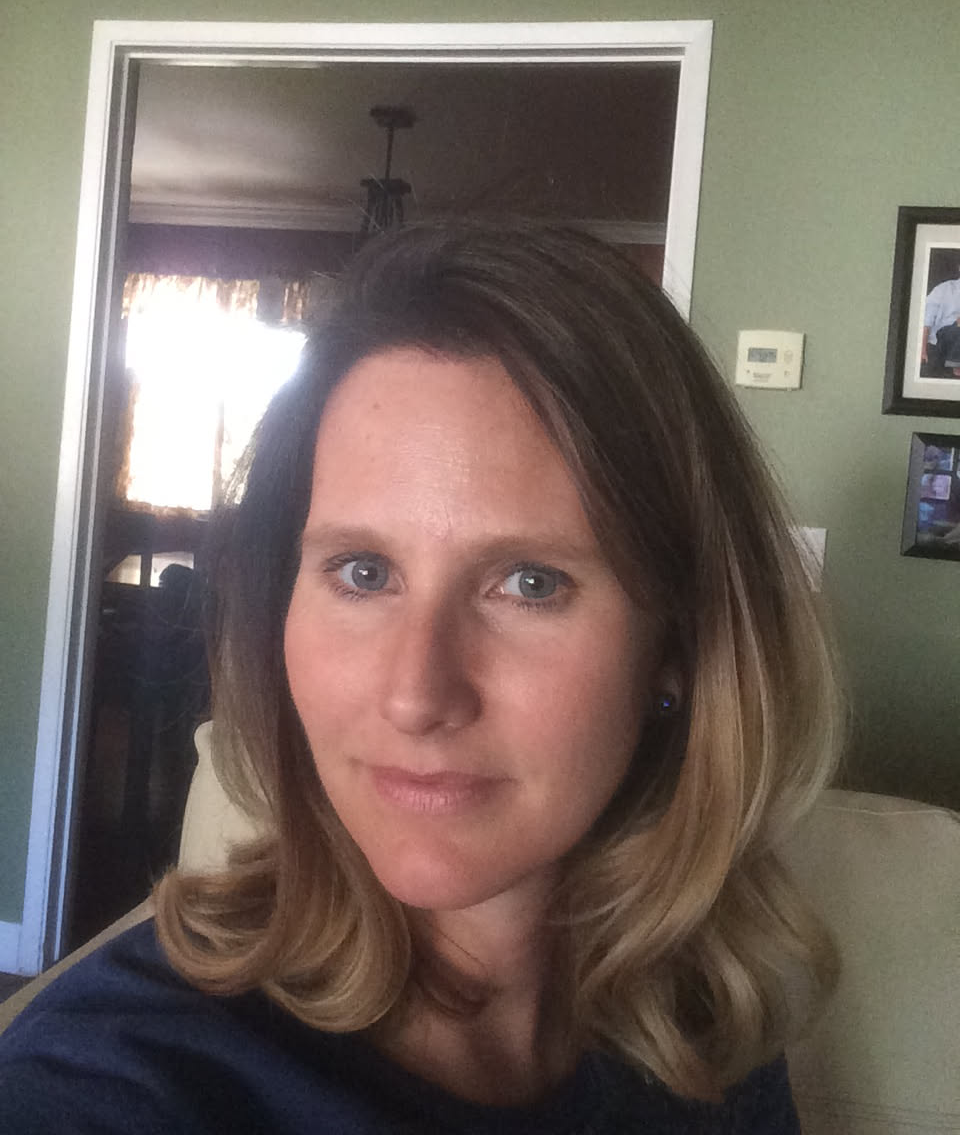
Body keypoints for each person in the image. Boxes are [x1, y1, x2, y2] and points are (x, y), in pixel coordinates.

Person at [0, 222, 843, 1132]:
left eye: (531, 583)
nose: (415, 695)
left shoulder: (704, 1030)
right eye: (363, 572)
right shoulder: (118, 1072)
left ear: (678, 645)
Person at [922, 271, 960, 375]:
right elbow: (926, 321)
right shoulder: (944, 289)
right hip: (944, 336)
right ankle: (957, 369)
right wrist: (922, 349)